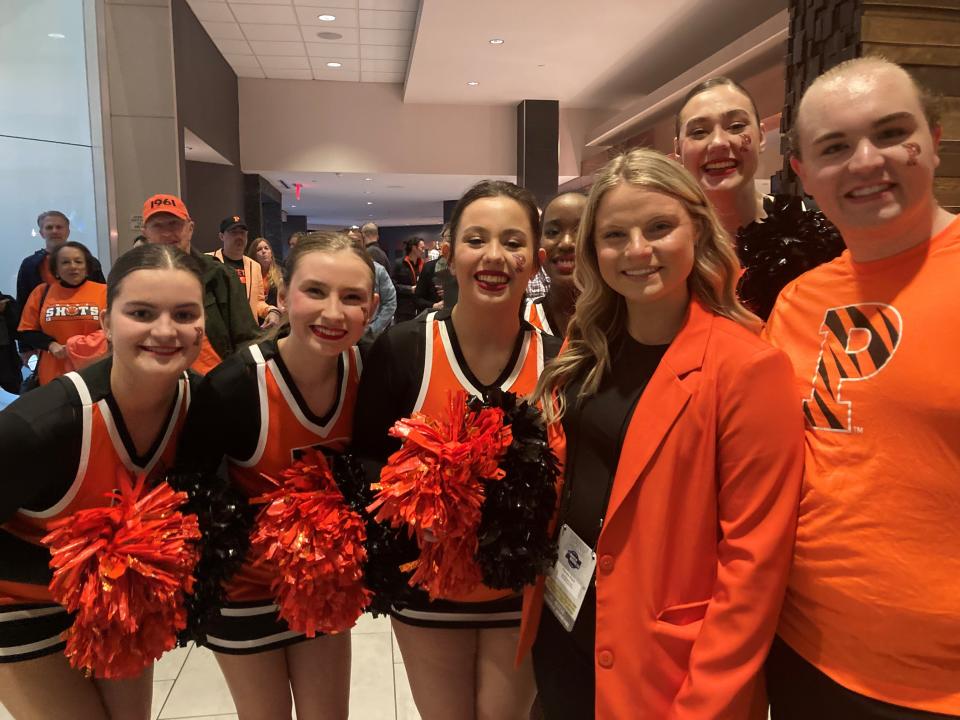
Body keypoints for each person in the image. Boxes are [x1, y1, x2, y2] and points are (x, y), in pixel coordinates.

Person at [518, 148, 803, 719]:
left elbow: (754, 566)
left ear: (696, 229)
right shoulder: (588, 343)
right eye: (615, 235)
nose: (638, 251)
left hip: (667, 669)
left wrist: (706, 702)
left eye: (659, 228)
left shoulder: (748, 367)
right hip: (566, 627)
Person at [762, 57, 960, 720]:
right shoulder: (796, 303)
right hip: (806, 658)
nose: (865, 161)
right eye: (835, 147)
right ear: (804, 173)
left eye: (891, 132)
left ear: (934, 137)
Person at [354, 180, 562, 720]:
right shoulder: (404, 349)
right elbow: (367, 459)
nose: (494, 256)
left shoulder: (561, 360)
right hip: (429, 591)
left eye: (513, 242)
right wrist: (421, 502)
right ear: (448, 251)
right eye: (476, 239)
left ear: (536, 259)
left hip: (523, 593)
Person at [178, 232, 379, 720]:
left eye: (351, 297)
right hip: (245, 591)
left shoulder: (370, 367)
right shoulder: (235, 385)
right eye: (315, 292)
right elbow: (188, 494)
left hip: (324, 584)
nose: (333, 313)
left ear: (371, 308)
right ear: (283, 295)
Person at [0, 244, 205, 720]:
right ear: (107, 324)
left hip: (121, 596)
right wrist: (81, 567)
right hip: (17, 598)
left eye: (184, 313)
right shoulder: (41, 425)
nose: (164, 329)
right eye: (141, 312)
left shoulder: (201, 405)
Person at [675, 76, 844, 319]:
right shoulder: (670, 247)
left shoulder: (816, 226)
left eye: (736, 126)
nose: (719, 142)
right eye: (699, 132)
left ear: (762, 136)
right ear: (679, 150)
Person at [140, 194, 258, 375]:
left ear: (190, 228)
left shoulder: (220, 276)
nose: (166, 233)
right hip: (160, 385)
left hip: (214, 384)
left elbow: (247, 339)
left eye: (174, 223)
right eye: (157, 225)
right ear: (145, 232)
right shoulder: (134, 281)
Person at [16, 241, 108, 387]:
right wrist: (51, 345)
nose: (73, 266)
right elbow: (26, 331)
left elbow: (115, 330)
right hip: (53, 374)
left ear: (87, 267)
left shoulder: (105, 292)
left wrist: (77, 346)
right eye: (65, 262)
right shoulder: (42, 292)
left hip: (94, 372)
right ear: (56, 269)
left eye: (78, 261)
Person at [15, 211, 105, 345]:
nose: (54, 231)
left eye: (59, 227)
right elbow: (22, 307)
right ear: (41, 233)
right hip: (47, 344)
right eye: (49, 227)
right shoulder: (30, 265)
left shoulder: (92, 264)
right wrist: (26, 347)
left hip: (91, 344)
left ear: (67, 231)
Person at [523, 192, 586, 336]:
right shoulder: (519, 321)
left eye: (580, 230)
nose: (566, 243)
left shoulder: (623, 321)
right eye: (553, 232)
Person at [208, 217, 280, 329]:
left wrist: (271, 311)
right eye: (234, 232)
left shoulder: (254, 266)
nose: (239, 237)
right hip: (217, 331)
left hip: (246, 332)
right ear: (221, 236)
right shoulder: (208, 261)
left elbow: (258, 302)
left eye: (242, 233)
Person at [391, 236, 424, 323]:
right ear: (414, 248)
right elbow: (392, 285)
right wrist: (410, 289)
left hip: (419, 307)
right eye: (422, 248)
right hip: (403, 309)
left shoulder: (423, 264)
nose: (423, 251)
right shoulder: (399, 264)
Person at [248, 236, 282, 308]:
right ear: (254, 255)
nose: (263, 251)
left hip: (276, 315)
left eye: (266, 248)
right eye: (259, 249)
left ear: (271, 254)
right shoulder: (249, 275)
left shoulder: (280, 274)